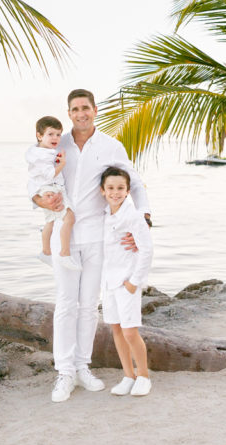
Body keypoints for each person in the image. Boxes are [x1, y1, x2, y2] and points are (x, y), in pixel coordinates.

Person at [30, 89, 151, 403]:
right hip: (63, 234)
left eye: (86, 108)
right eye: (75, 109)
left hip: (99, 236)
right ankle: (65, 372)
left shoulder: (111, 146)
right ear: (69, 113)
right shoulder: (57, 142)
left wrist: (143, 218)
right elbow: (35, 181)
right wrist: (38, 198)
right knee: (65, 303)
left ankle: (83, 367)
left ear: (95, 110)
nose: (81, 113)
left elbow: (133, 183)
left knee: (88, 306)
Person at [99, 165, 153, 396]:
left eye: (120, 188)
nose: (115, 192)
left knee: (130, 331)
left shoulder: (133, 216)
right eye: (110, 188)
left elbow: (146, 250)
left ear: (128, 190)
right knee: (117, 330)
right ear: (103, 190)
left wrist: (134, 281)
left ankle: (143, 376)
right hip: (108, 282)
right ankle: (128, 376)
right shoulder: (103, 215)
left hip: (127, 282)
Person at [25, 115, 79, 270]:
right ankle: (64, 253)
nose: (55, 138)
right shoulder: (43, 155)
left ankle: (46, 252)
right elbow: (49, 174)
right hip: (51, 187)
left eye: (58, 134)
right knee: (69, 217)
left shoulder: (39, 152)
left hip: (47, 187)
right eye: (50, 134)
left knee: (50, 221)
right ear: (39, 135)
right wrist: (62, 164)